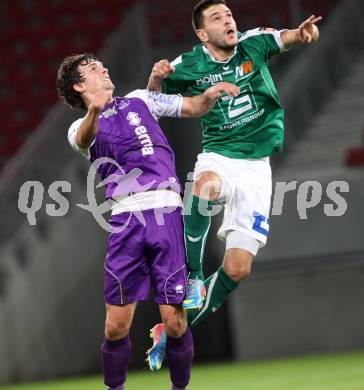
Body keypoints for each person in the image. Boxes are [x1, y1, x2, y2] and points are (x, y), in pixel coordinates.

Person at [146, 0, 321, 368]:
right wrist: (157, 79)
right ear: (201, 33)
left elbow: (285, 37)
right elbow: (152, 102)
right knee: (203, 186)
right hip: (220, 156)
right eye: (216, 18)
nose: (227, 20)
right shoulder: (187, 64)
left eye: (228, 14)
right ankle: (192, 276)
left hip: (257, 169)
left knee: (239, 269)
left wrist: (302, 35)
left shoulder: (253, 44)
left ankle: (173, 329)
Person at [56, 53, 239, 390]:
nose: (104, 67)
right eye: (94, 68)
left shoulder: (141, 99)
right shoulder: (77, 129)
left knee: (174, 321)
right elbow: (85, 139)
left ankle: (180, 388)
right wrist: (95, 109)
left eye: (101, 63)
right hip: (125, 219)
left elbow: (192, 107)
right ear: (80, 85)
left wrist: (210, 96)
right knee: (115, 327)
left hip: (165, 212)